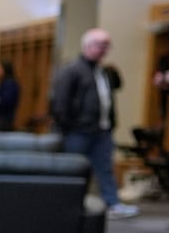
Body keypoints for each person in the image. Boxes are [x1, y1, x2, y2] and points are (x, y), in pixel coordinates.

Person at [51, 28, 139, 218]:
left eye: (107, 46)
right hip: (77, 131)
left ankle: (112, 204)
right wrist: (66, 126)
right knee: (73, 169)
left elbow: (115, 88)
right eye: (101, 45)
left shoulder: (103, 71)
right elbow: (60, 102)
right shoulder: (72, 70)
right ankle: (67, 204)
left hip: (102, 130)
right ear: (87, 46)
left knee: (105, 168)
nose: (104, 50)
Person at [0, 59, 20, 131]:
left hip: (3, 119)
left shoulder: (9, 84)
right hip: (0, 118)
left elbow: (6, 101)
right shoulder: (4, 83)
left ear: (4, 69)